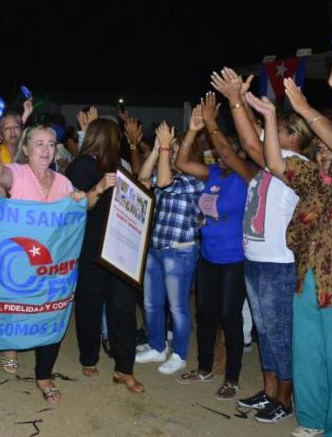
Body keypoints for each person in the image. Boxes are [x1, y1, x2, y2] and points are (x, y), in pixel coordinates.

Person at [245, 70, 332, 437]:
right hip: (307, 280)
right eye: (323, 153)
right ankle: (312, 421)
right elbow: (276, 164)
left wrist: (306, 107)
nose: (328, 156)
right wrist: (268, 119)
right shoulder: (315, 182)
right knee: (308, 355)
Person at [211, 67, 313, 423]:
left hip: (277, 265)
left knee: (279, 335)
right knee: (265, 333)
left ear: (293, 137)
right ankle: (270, 392)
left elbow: (253, 143)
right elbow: (251, 138)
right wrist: (239, 106)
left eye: (277, 128)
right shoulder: (270, 168)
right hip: (255, 260)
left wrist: (236, 100)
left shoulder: (293, 165)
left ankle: (284, 399)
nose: (267, 133)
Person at [0, 125, 85, 403]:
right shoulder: (16, 173)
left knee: (50, 315)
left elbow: (72, 220)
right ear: (26, 150)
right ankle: (10, 346)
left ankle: (44, 376)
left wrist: (77, 200)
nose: (46, 149)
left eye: (51, 144)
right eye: (38, 144)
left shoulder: (64, 183)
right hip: (18, 265)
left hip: (51, 268)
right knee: (16, 312)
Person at [175, 92, 256, 401]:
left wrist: (212, 124)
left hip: (234, 259)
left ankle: (232, 378)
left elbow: (228, 150)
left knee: (229, 316)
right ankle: (205, 368)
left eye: (227, 151)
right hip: (208, 257)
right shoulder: (213, 174)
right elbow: (182, 162)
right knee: (206, 314)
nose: (221, 155)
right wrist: (194, 128)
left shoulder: (248, 175)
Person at [65, 117, 145, 393]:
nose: (119, 142)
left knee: (123, 311)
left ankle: (125, 368)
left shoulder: (118, 166)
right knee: (89, 306)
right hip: (90, 250)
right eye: (117, 138)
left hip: (119, 252)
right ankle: (89, 357)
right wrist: (98, 188)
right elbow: (76, 208)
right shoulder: (81, 165)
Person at [135, 120, 204, 376]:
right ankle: (157, 345)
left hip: (180, 250)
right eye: (171, 151)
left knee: (178, 307)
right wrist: (156, 149)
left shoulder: (195, 179)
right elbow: (144, 179)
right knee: (151, 303)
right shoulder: (170, 174)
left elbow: (162, 183)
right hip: (156, 247)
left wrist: (165, 151)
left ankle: (180, 354)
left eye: (174, 151)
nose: (172, 154)